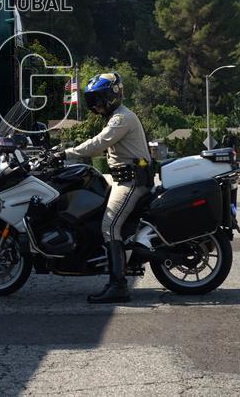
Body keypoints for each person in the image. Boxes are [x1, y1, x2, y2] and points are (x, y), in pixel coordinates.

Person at [58, 72, 153, 304]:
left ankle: (119, 285)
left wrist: (65, 153)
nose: (95, 104)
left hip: (132, 182)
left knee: (109, 225)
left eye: (98, 98)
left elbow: (99, 143)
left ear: (112, 96)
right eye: (93, 99)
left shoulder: (121, 119)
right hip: (121, 178)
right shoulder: (117, 116)